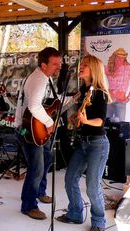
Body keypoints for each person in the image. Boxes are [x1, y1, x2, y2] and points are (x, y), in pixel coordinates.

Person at [56, 55, 112, 231]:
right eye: (82, 64)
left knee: (92, 186)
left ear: (94, 69)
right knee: (70, 177)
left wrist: (86, 121)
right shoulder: (85, 90)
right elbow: (83, 115)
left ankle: (99, 222)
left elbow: (99, 121)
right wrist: (77, 117)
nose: (81, 67)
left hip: (98, 144)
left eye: (85, 65)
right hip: (83, 143)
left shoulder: (100, 93)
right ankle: (75, 213)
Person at [13, 47, 62, 220]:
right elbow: (34, 106)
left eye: (59, 63)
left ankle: (39, 191)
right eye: (55, 64)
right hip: (29, 130)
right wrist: (49, 123)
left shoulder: (44, 78)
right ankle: (28, 205)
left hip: (36, 128)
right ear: (43, 64)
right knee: (36, 168)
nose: (59, 66)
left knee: (47, 159)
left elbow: (43, 105)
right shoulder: (39, 80)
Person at [105, 48, 130, 121]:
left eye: (122, 58)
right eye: (118, 57)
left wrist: (128, 96)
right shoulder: (109, 68)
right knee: (106, 123)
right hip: (109, 100)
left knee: (120, 126)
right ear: (114, 58)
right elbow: (98, 67)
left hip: (121, 101)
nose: (119, 60)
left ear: (124, 58)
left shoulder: (128, 68)